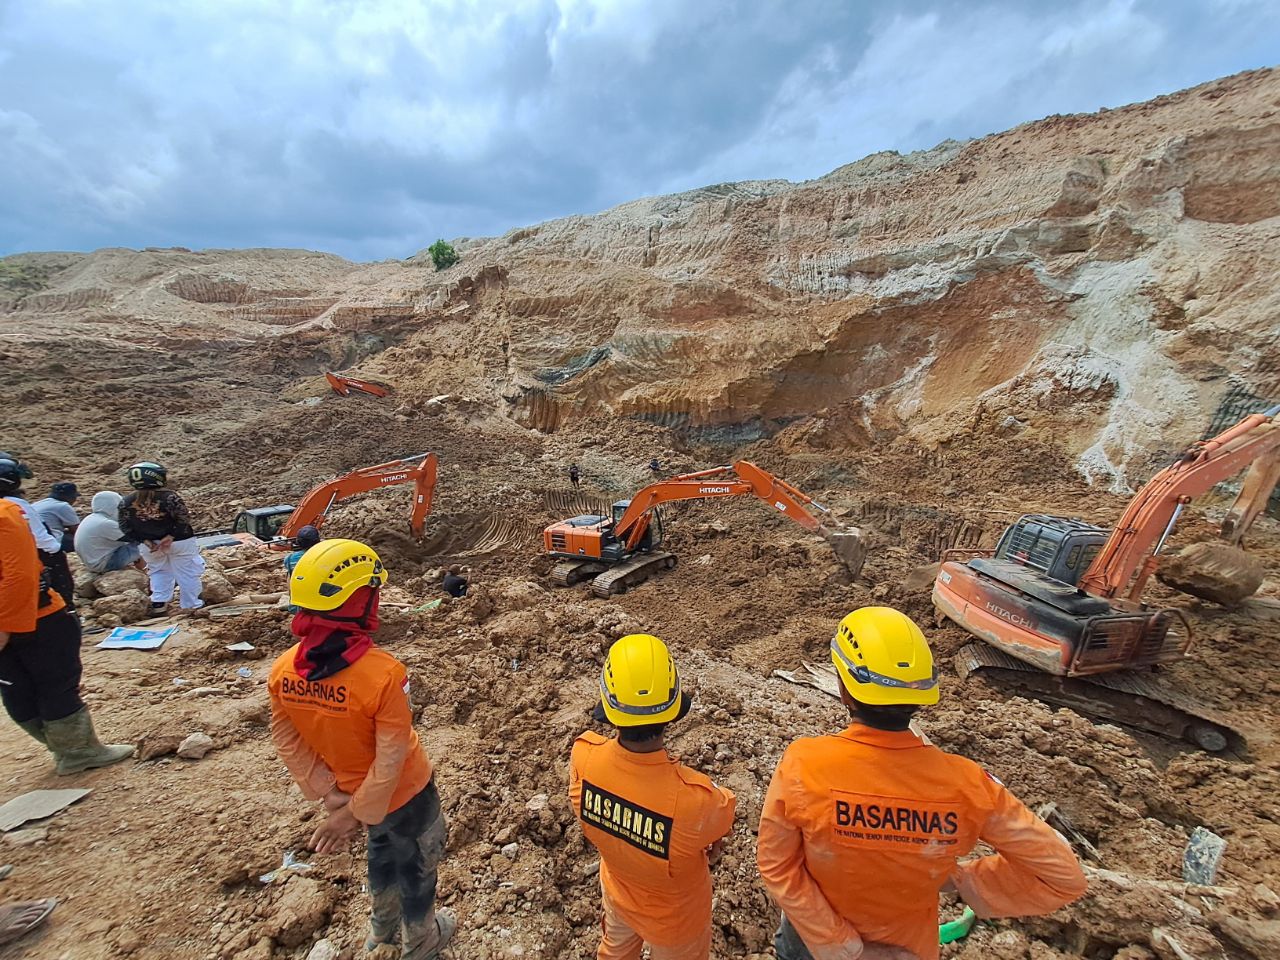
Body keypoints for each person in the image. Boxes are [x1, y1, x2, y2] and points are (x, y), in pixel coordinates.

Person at [757, 607, 1088, 960]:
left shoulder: (804, 765)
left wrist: (848, 949)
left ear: (844, 690)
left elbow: (776, 865)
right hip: (908, 948)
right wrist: (960, 879)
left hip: (813, 944)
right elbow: (1064, 878)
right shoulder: (967, 786)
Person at [269, 539, 455, 960]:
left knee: (382, 859)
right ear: (360, 600)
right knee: (418, 865)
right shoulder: (383, 675)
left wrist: (330, 794)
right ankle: (420, 941)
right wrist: (349, 815)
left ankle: (380, 934)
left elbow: (287, 739)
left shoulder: (283, 670)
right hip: (406, 794)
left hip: (352, 792)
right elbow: (391, 759)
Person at [569, 633, 736, 960]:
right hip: (676, 922)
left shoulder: (583, 757)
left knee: (614, 952)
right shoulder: (696, 800)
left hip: (618, 893)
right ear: (672, 709)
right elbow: (723, 813)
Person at [0, 456, 134, 776]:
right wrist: (6, 623)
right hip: (35, 615)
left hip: (15, 617)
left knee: (15, 684)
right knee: (55, 680)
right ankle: (77, 750)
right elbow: (20, 575)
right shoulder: (7, 514)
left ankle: (61, 747)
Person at [118, 461, 204, 616]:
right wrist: (170, 536)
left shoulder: (125, 502)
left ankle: (159, 603)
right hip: (180, 541)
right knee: (187, 572)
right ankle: (192, 605)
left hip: (150, 545)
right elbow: (183, 519)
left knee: (157, 571)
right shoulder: (170, 497)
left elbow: (125, 527)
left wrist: (144, 540)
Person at [0, 453, 75, 609]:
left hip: (13, 557)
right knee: (60, 592)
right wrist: (55, 550)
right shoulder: (15, 505)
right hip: (38, 554)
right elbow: (37, 534)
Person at [74, 491, 143, 574]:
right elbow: (135, 537)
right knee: (145, 544)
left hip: (94, 561)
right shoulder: (105, 523)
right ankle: (151, 571)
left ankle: (142, 569)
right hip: (105, 564)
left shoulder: (93, 518)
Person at [282, 525, 322, 614]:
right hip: (323, 603)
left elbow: (290, 582)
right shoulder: (325, 555)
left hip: (299, 605)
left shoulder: (290, 559)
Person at [34, 482, 80, 553]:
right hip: (50, 542)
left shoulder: (39, 503)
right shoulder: (63, 506)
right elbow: (77, 530)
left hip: (34, 540)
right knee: (85, 538)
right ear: (70, 496)